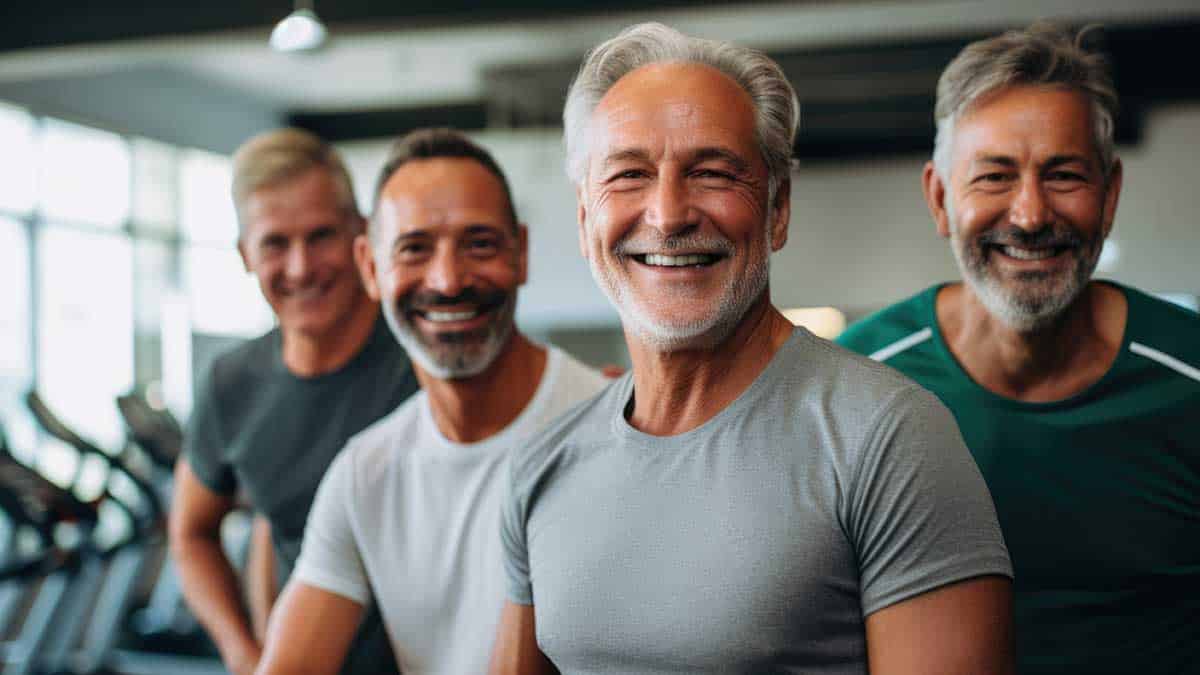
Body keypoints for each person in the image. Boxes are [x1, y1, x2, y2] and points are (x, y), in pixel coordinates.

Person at [491, 22, 1014, 675]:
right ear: (583, 219)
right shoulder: (541, 465)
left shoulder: (888, 438)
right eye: (628, 174)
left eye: (711, 172)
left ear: (778, 208)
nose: (669, 212)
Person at [837, 23, 1200, 675]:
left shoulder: (1191, 372)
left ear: (1109, 195)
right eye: (995, 177)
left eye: (1062, 175)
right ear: (940, 198)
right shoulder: (856, 381)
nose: (1030, 214)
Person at [255, 129, 610, 675]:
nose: (447, 281)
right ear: (370, 268)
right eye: (414, 249)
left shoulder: (611, 430)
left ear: (521, 254)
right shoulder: (364, 473)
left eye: (480, 244)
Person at [168, 128, 418, 675]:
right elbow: (190, 531)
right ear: (244, 254)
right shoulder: (231, 384)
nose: (301, 267)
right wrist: (242, 652)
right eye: (276, 244)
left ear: (360, 234)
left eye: (321, 236)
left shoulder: (425, 359)